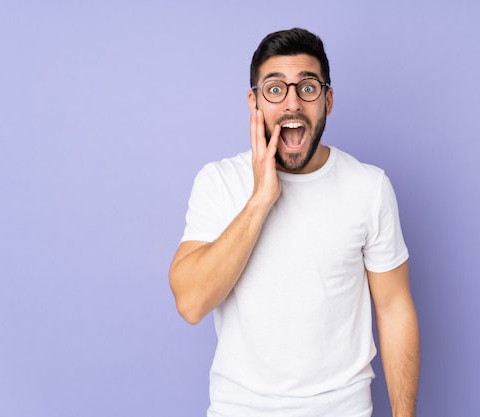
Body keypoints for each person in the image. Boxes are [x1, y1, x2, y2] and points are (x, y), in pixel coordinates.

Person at [169, 28, 420, 417]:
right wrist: (260, 201)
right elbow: (190, 302)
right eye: (274, 89)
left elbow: (394, 310)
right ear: (253, 102)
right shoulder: (218, 181)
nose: (292, 104)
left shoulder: (369, 187)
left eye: (307, 88)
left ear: (328, 100)